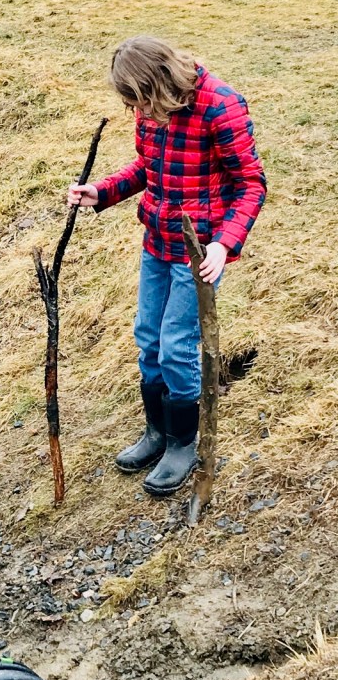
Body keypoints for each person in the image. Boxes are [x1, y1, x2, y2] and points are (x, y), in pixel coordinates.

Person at [68, 36, 266, 497]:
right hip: (156, 241)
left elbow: (251, 184)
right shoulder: (150, 107)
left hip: (198, 253)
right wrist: (102, 191)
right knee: (147, 336)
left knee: (177, 345)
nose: (138, 111)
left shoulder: (221, 106)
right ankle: (157, 431)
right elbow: (148, 167)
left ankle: (182, 442)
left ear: (161, 83)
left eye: (140, 102)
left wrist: (223, 245)